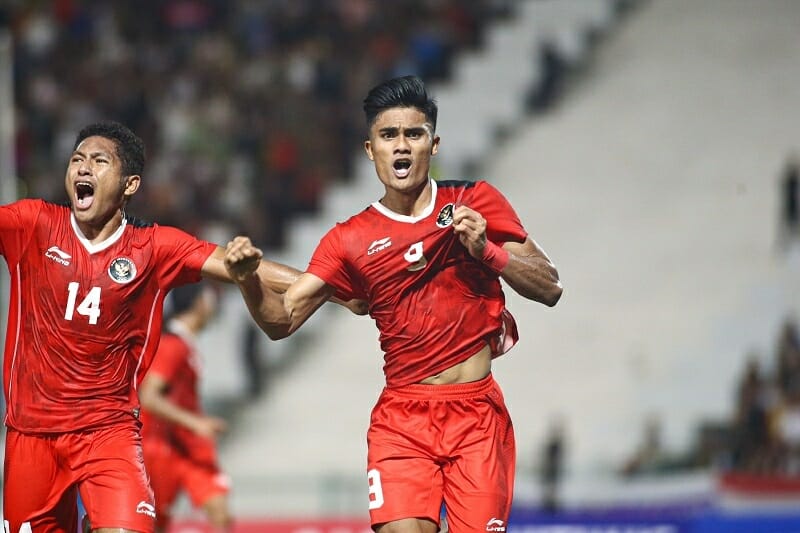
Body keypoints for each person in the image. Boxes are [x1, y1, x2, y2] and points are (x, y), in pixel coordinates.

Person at [224, 75, 562, 532]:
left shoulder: (474, 201)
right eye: (388, 135)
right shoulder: (348, 239)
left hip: (477, 417)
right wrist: (248, 281)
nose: (401, 145)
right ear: (370, 149)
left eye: (413, 134)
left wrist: (487, 251)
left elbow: (549, 287)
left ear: (433, 144)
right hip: (403, 420)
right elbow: (280, 321)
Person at [0, 121, 316, 533]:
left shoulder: (154, 246)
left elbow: (235, 264)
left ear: (129, 184)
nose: (83, 168)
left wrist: (328, 286)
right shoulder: (32, 223)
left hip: (108, 432)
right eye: (77, 160)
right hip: (31, 436)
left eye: (99, 161)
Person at [139, 282, 232, 532]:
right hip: (161, 445)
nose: (214, 306)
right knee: (154, 523)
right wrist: (195, 422)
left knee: (220, 513)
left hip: (188, 447)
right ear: (199, 304)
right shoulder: (172, 345)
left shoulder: (183, 344)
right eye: (210, 299)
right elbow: (149, 396)